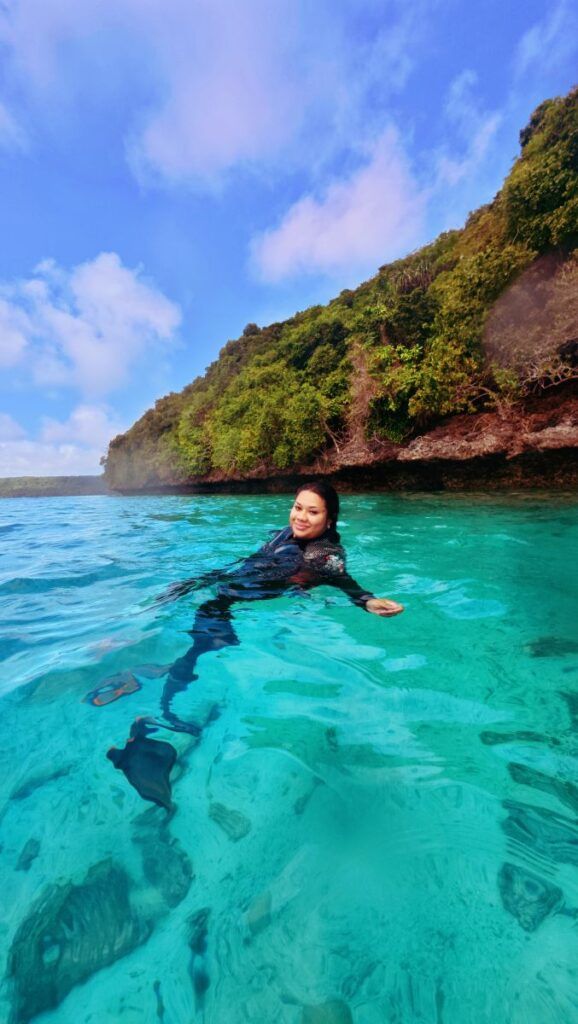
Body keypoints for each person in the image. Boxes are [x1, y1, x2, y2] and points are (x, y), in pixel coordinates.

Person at [107, 482, 404, 805]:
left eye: (313, 511)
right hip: (237, 580)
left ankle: (168, 713)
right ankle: (145, 653)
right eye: (297, 506)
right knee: (183, 590)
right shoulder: (285, 534)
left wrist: (367, 601)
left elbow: (342, 578)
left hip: (254, 590)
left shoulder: (324, 555)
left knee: (205, 617)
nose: (301, 517)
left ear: (330, 520)